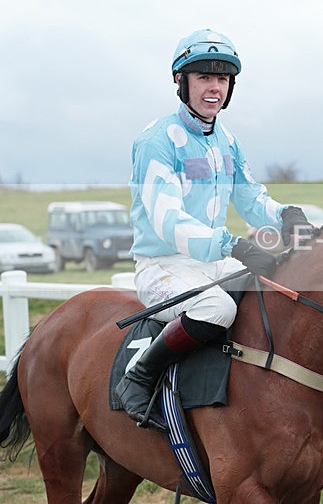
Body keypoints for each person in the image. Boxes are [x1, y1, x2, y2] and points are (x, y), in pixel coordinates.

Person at [116, 28, 310, 432]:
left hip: (211, 263)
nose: (214, 88)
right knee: (216, 309)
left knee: (278, 286)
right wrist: (232, 244)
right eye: (204, 77)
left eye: (222, 79)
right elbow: (167, 220)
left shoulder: (227, 140)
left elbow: (250, 199)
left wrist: (286, 215)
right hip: (163, 266)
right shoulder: (156, 141)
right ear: (181, 81)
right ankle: (139, 377)